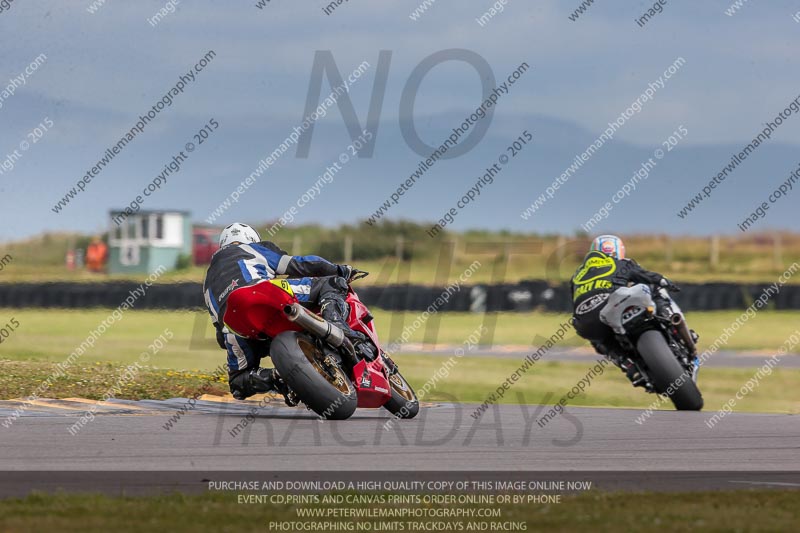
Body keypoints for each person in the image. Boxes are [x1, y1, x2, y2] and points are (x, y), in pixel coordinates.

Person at [202, 222, 363, 401]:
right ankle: (337, 325)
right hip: (262, 292)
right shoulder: (253, 248)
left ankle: (278, 378)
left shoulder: (207, 282)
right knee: (332, 283)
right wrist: (340, 270)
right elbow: (299, 265)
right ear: (251, 239)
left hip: (234, 325)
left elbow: (220, 338)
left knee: (238, 382)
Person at [570, 235, 695, 387]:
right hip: (617, 304)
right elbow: (648, 277)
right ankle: (670, 318)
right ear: (620, 251)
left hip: (587, 319)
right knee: (653, 287)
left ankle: (627, 364)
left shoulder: (577, 275)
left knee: (598, 339)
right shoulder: (623, 263)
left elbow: (575, 301)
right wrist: (667, 282)